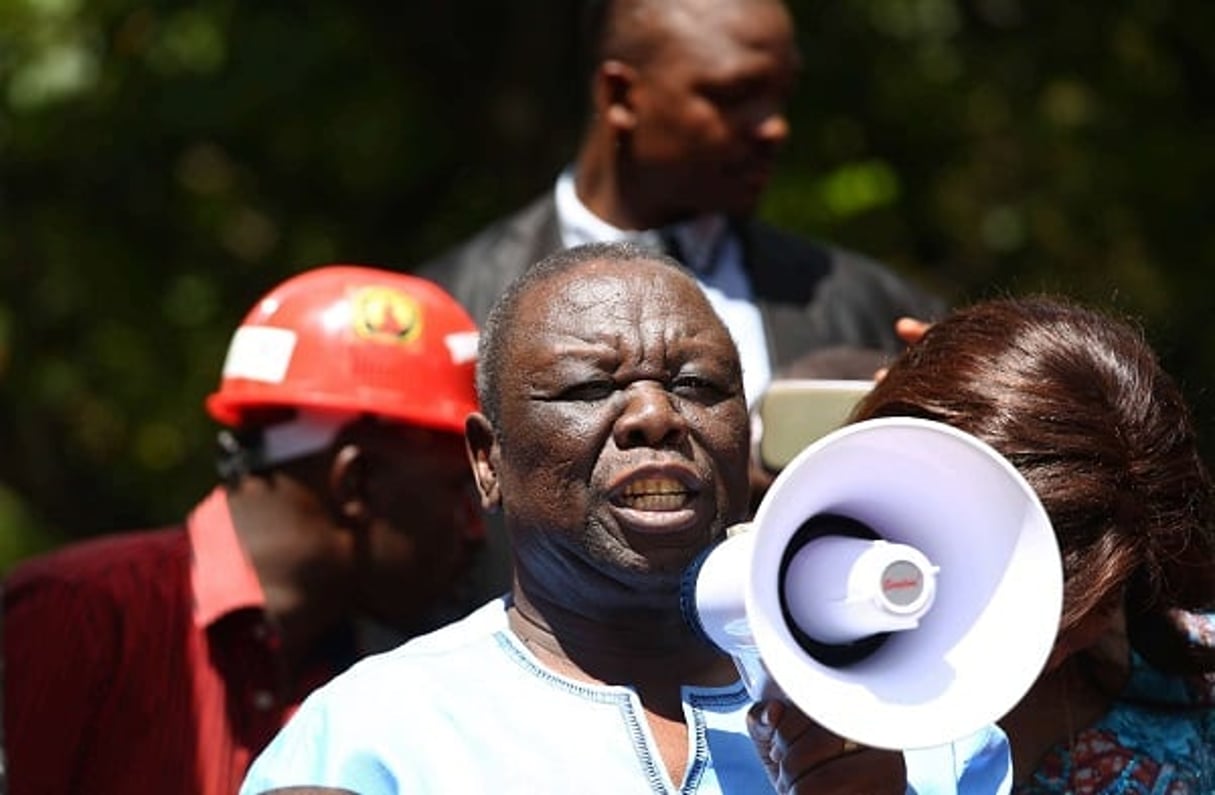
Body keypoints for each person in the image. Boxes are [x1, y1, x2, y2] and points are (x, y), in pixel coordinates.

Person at [240, 242, 1011, 795]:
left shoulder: (924, 719)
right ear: (486, 461)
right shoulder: (367, 738)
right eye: (586, 389)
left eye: (697, 383)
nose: (653, 415)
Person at [2, 265, 484, 795]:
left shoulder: (390, 678)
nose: (476, 529)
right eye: (458, 489)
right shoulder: (77, 617)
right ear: (358, 482)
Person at [417, 0, 945, 410]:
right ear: (621, 97)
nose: (775, 127)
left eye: (782, 94)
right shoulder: (453, 310)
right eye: (734, 95)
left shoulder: (873, 308)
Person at [849, 295, 1215, 792]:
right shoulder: (770, 680)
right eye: (1007, 598)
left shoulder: (1198, 678)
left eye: (1104, 600)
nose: (1047, 650)